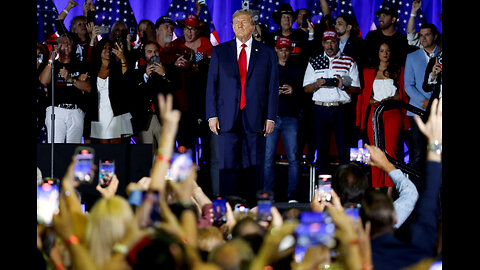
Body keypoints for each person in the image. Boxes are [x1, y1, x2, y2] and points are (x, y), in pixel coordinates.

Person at [205, 9, 279, 204]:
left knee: (254, 164)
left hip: (256, 117)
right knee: (227, 165)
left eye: (244, 22)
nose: (239, 25)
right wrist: (212, 115)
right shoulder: (220, 51)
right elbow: (212, 85)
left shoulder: (267, 52)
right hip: (227, 116)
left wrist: (271, 116)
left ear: (253, 27)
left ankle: (253, 207)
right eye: (235, 22)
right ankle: (228, 207)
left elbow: (272, 87)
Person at [361, 99, 442, 270]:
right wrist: (387, 165)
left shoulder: (354, 256)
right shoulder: (419, 247)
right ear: (396, 219)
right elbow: (422, 196)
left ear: (364, 227)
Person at [302, 30, 361, 176]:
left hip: (341, 109)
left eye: (333, 42)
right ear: (322, 43)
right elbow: (306, 88)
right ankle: (324, 191)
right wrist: (316, 84)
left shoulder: (349, 61)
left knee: (343, 150)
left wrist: (343, 85)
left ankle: (345, 191)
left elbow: (357, 88)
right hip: (320, 109)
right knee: (321, 150)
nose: (330, 45)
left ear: (337, 43)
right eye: (327, 42)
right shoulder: (314, 61)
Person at [356, 41, 410, 197]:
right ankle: (377, 188)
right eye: (382, 51)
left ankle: (390, 188)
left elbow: (402, 95)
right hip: (374, 114)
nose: (385, 53)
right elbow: (364, 97)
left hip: (392, 113)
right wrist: (371, 101)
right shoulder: (367, 72)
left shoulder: (399, 71)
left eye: (387, 51)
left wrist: (391, 99)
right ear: (377, 53)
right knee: (376, 151)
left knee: (391, 151)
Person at [263, 37, 304, 202]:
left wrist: (293, 90)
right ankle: (268, 194)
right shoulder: (269, 68)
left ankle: (292, 194)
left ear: (290, 50)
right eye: (281, 49)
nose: (284, 53)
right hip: (272, 118)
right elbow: (259, 92)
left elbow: (306, 92)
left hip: (291, 118)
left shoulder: (297, 69)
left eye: (287, 50)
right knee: (267, 158)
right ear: (276, 49)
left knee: (293, 158)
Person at [38, 34, 92, 143]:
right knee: (56, 148)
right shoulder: (52, 65)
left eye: (68, 43)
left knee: (72, 149)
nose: (66, 45)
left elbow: (88, 88)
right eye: (62, 43)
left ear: (73, 46)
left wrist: (69, 78)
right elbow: (43, 80)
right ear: (57, 46)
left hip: (76, 111)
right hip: (56, 110)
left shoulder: (80, 65)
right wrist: (51, 59)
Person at [404, 23, 440, 176]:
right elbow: (408, 85)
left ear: (435, 36)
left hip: (439, 111)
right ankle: (417, 189)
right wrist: (424, 102)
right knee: (418, 152)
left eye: (427, 35)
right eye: (421, 35)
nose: (424, 38)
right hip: (417, 110)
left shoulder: (442, 54)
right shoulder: (412, 57)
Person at [86, 38, 134, 144]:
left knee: (116, 147)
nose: (108, 50)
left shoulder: (116, 68)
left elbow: (127, 79)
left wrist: (122, 58)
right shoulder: (93, 69)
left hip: (116, 111)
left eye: (110, 48)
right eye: (104, 48)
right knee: (104, 149)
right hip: (98, 112)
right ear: (99, 51)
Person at [131, 41, 174, 150]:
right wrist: (145, 76)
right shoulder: (138, 73)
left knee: (166, 154)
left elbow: (174, 88)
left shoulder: (168, 70)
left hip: (163, 119)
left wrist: (164, 75)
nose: (153, 54)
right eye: (149, 52)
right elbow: (135, 94)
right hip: (145, 119)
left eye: (156, 51)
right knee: (147, 156)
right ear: (144, 55)